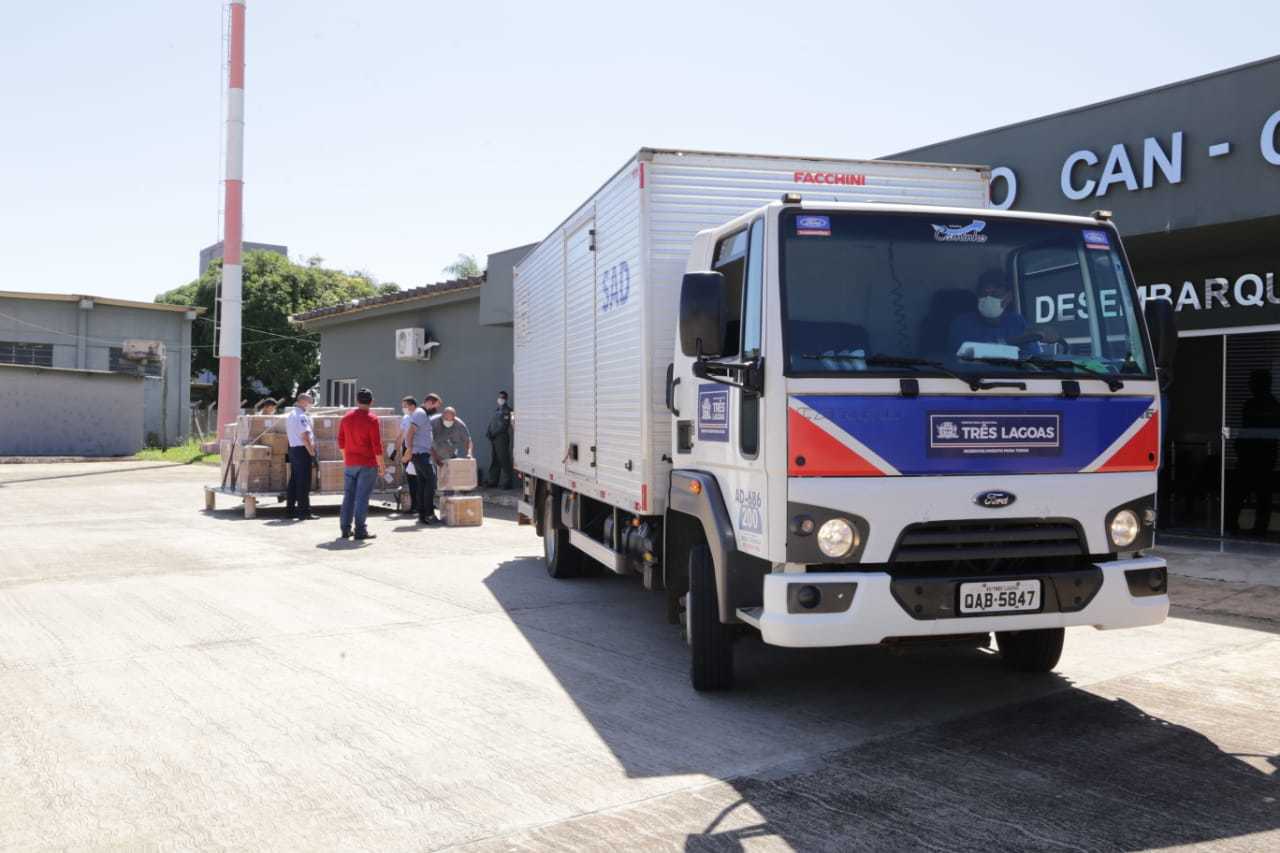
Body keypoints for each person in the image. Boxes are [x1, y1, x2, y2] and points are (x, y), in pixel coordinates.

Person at [947, 270, 1056, 357]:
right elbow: (967, 353)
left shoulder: (1016, 321)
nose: (988, 299)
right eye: (984, 294)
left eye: (995, 295)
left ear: (1008, 298)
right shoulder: (962, 322)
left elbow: (1031, 356)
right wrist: (1015, 341)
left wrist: (1041, 335)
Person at [1228, 369, 1280, 536]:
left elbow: (1248, 430)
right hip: (1257, 457)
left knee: (1250, 494)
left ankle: (1248, 527)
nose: (1250, 385)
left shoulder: (1263, 405)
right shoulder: (1269, 405)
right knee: (1252, 495)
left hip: (1257, 457)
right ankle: (1249, 527)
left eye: (1253, 382)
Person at [337, 388, 386, 541]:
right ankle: (360, 530)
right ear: (371, 401)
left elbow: (341, 442)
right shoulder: (372, 419)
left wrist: (347, 459)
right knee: (362, 497)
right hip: (367, 463)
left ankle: (345, 529)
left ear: (357, 401)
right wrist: (382, 465)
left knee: (348, 496)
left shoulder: (346, 418)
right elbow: (377, 446)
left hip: (350, 463)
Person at [404, 395, 438, 524]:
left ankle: (422, 515)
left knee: (423, 484)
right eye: (436, 406)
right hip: (420, 454)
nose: (436, 409)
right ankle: (429, 514)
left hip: (421, 454)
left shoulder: (422, 414)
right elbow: (410, 432)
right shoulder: (420, 413)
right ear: (429, 402)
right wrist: (409, 450)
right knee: (430, 482)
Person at [285, 392, 318, 521]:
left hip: (293, 449)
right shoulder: (301, 416)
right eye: (310, 402)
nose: (311, 405)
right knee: (303, 482)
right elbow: (305, 437)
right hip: (302, 450)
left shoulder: (291, 415)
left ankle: (290, 510)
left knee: (294, 481)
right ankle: (304, 512)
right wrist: (311, 452)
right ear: (303, 401)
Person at [485, 391, 514, 489]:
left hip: (501, 438)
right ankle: (493, 481)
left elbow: (504, 426)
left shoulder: (508, 411)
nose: (500, 399)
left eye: (502, 397)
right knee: (495, 459)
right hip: (494, 438)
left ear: (506, 399)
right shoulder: (497, 410)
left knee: (504, 459)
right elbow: (492, 423)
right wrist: (488, 432)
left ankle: (507, 482)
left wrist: (494, 433)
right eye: (499, 397)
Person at [399, 396, 420, 517]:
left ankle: (419, 505)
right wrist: (397, 448)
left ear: (412, 406)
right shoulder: (406, 418)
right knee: (411, 478)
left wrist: (410, 453)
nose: (403, 408)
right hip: (406, 449)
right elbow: (401, 434)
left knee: (418, 479)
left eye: (405, 406)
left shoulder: (419, 417)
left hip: (415, 450)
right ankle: (414, 506)